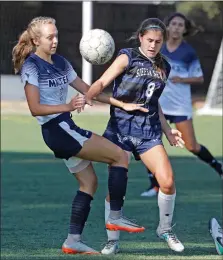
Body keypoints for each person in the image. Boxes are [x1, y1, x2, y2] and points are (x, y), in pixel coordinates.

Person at [12, 16, 148, 255]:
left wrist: (121, 104)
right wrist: (68, 106)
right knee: (120, 156)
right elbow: (35, 109)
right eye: (49, 37)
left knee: (89, 183)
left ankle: (73, 240)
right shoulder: (31, 66)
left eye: (56, 35)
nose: (55, 41)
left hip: (63, 129)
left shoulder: (61, 62)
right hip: (58, 129)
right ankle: (116, 216)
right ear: (36, 40)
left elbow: (88, 91)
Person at [86, 18, 185, 254]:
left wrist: (167, 129)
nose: (153, 45)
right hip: (119, 130)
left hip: (148, 131)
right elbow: (99, 85)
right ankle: (112, 240)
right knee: (116, 187)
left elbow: (155, 102)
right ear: (140, 37)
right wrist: (103, 99)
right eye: (149, 40)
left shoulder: (164, 66)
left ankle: (165, 228)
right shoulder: (127, 57)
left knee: (168, 182)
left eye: (158, 42)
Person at [141, 12, 223, 198]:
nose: (176, 27)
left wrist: (181, 78)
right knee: (148, 143)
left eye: (180, 25)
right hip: (158, 104)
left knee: (192, 146)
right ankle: (154, 185)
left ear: (184, 30)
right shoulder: (158, 47)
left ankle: (219, 167)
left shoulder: (188, 52)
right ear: (167, 26)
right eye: (174, 24)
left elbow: (200, 77)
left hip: (180, 106)